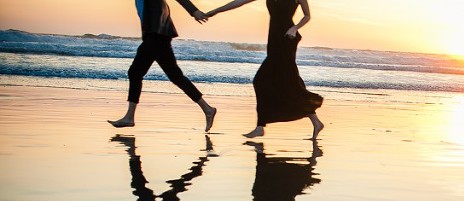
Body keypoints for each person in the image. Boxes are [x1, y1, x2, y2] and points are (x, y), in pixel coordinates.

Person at [207, 0, 324, 139]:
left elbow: (307, 16)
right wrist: (215, 11)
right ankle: (315, 122)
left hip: (288, 37)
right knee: (289, 80)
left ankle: (260, 127)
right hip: (274, 38)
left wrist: (295, 28)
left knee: (263, 80)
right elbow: (240, 2)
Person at [109, 0, 217, 131]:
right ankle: (207, 109)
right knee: (175, 76)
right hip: (158, 33)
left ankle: (129, 117)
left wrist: (193, 11)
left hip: (157, 34)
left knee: (135, 72)